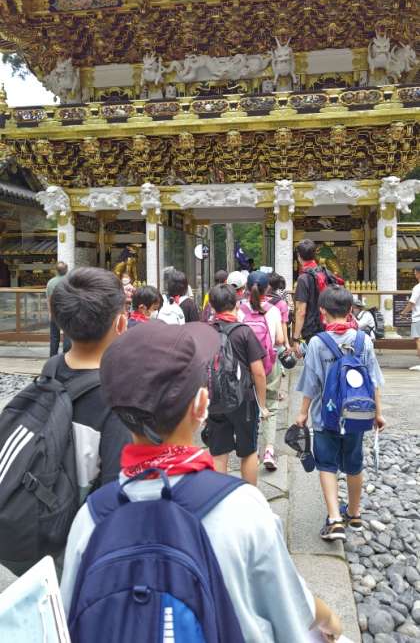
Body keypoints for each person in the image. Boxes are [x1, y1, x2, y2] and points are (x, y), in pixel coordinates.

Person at [60, 320, 342, 642]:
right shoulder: (242, 508)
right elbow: (292, 616)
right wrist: (330, 619)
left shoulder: (91, 517)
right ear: (201, 405)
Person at [295, 286, 385, 541]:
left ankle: (335, 519)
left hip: (326, 417)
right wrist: (378, 414)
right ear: (350, 311)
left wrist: (302, 413)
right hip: (357, 416)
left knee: (326, 464)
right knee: (354, 464)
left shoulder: (317, 343)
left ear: (322, 311)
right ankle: (354, 514)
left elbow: (311, 383)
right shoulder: (363, 341)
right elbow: (373, 380)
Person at [50, 267, 132, 501]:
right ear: (121, 324)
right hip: (83, 518)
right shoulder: (117, 398)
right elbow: (115, 495)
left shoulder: (50, 370)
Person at [207, 283, 268, 486]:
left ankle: (219, 498)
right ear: (237, 304)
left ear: (212, 306)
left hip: (215, 399)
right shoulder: (244, 332)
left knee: (218, 453)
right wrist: (262, 403)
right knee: (248, 451)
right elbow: (258, 372)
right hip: (244, 401)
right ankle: (249, 497)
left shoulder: (206, 332)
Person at [241, 271, 284, 471]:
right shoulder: (273, 311)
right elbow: (280, 340)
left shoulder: (240, 310)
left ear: (247, 288)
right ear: (267, 289)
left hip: (245, 366)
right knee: (271, 404)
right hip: (268, 364)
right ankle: (268, 450)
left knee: (249, 405)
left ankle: (252, 449)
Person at [292, 240, 324, 355]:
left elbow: (301, 311)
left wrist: (296, 338)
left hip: (311, 330)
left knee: (313, 363)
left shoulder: (303, 278)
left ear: (299, 256)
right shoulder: (324, 272)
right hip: (326, 326)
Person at [46, 261, 71, 357]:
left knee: (54, 337)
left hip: (55, 312)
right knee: (68, 335)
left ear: (56, 270)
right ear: (66, 270)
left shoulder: (50, 282)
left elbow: (49, 299)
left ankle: (52, 357)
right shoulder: (70, 281)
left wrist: (50, 313)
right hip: (68, 311)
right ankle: (66, 357)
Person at [400, 266, 420, 371]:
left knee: (419, 340)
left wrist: (403, 313)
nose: (414, 275)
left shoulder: (417, 288)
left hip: (418, 318)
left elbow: (412, 303)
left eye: (415, 273)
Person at [268, 272, 291, 349]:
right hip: (277, 339)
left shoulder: (260, 301)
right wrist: (286, 343)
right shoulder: (281, 303)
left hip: (262, 338)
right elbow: (283, 324)